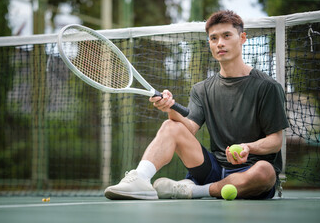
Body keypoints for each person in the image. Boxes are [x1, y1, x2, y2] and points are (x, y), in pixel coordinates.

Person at [104, 10, 289, 200]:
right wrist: (171, 109)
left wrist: (248, 148)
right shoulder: (202, 89)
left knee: (266, 172)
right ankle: (139, 179)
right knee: (170, 126)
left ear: (242, 38)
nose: (220, 43)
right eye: (214, 38)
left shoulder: (267, 87)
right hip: (214, 169)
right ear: (209, 43)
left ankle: (193, 190)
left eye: (227, 36)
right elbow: (189, 128)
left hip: (252, 173)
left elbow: (275, 142)